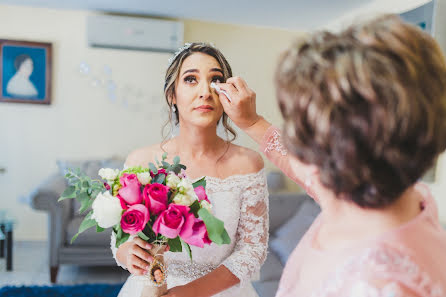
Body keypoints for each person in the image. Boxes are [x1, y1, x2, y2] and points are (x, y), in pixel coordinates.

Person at [216, 14, 446, 296]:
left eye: (298, 126)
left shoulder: (380, 285)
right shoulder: (399, 192)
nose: (294, 140)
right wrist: (251, 122)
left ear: (329, 155)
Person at [110, 43, 269, 297]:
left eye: (215, 80)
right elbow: (121, 237)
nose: (205, 91)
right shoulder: (141, 160)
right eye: (191, 79)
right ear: (172, 94)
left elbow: (252, 250)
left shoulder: (248, 163)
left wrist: (189, 293)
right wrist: (127, 252)